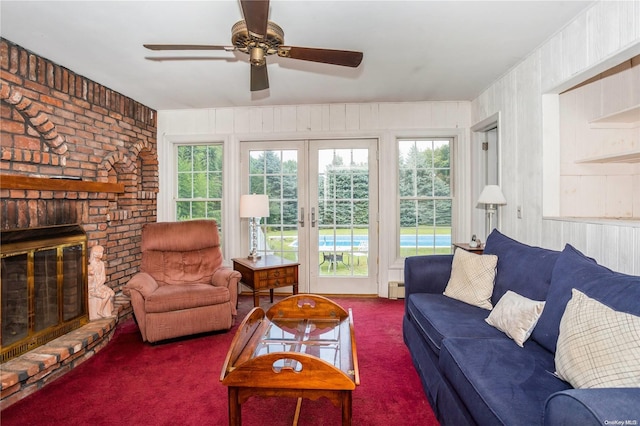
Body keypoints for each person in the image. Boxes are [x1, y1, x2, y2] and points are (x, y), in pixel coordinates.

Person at [88, 245, 115, 320]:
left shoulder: (102, 264)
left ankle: (109, 309)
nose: (101, 254)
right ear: (94, 254)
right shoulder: (91, 266)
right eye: (100, 252)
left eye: (102, 252)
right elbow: (92, 280)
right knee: (106, 295)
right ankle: (100, 311)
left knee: (112, 294)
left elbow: (103, 277)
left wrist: (100, 285)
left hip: (100, 284)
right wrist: (96, 287)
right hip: (94, 287)